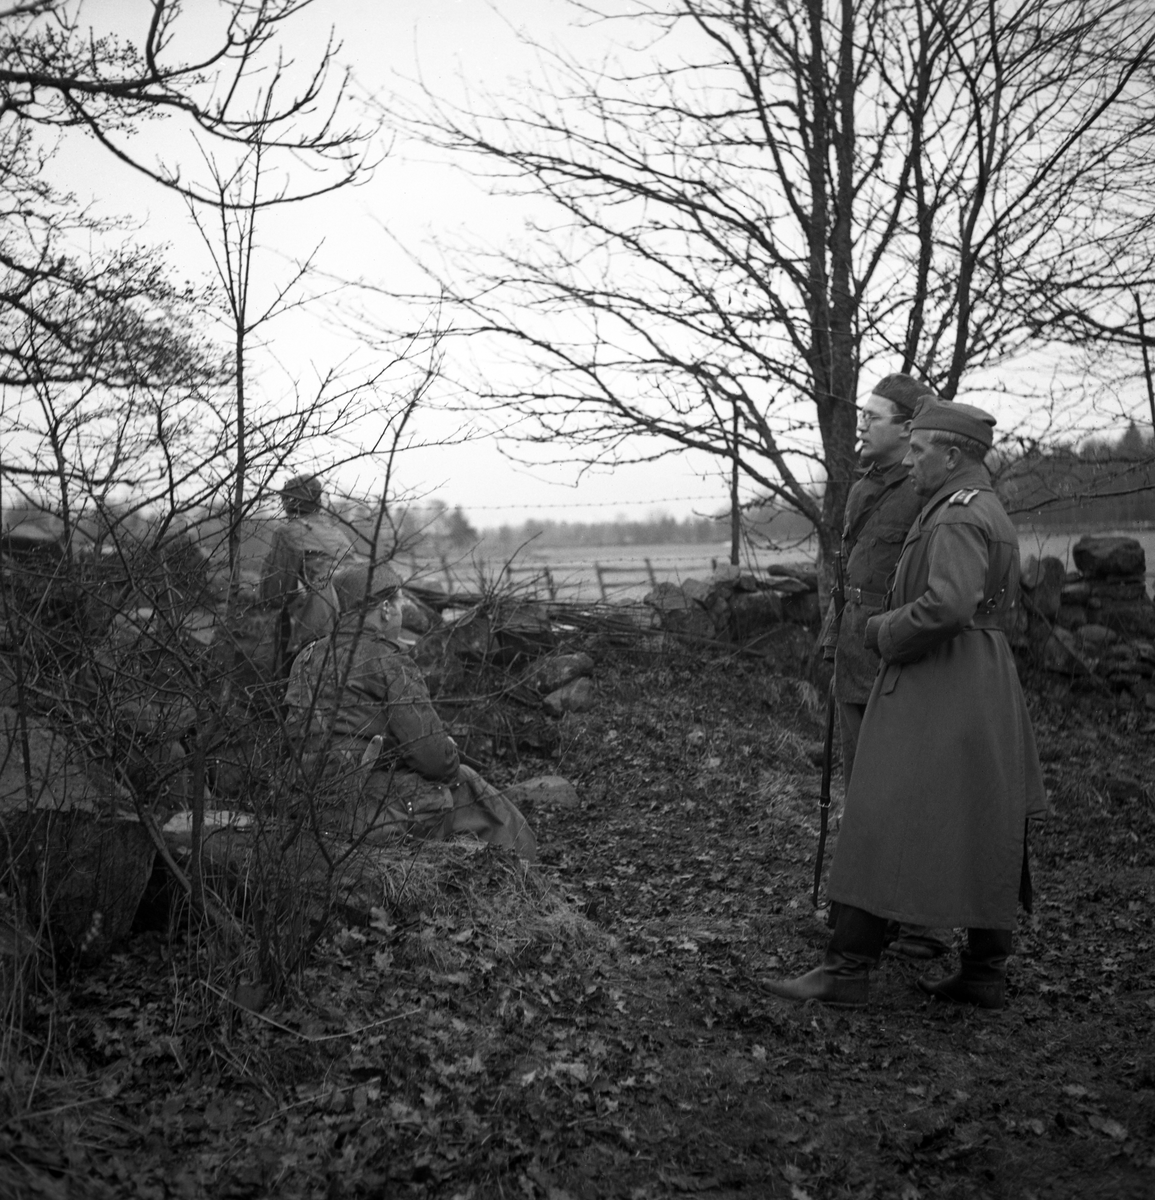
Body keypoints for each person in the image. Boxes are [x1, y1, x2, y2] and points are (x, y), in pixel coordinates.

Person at [765, 400, 1046, 1010]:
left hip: (939, 678)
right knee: (986, 815)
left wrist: (882, 630)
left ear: (952, 455)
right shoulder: (977, 506)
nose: (911, 462)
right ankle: (983, 972)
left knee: (879, 809)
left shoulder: (954, 516)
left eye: (920, 451)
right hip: (980, 677)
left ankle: (847, 970)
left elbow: (948, 605)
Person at [819, 372, 952, 960]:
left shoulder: (927, 491)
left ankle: (923, 926)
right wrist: (832, 638)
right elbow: (847, 573)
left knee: (912, 791)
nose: (861, 428)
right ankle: (869, 915)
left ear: (907, 428)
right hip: (854, 654)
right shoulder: (861, 489)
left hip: (900, 657)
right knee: (864, 793)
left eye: (873, 418)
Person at [283, 563, 537, 860]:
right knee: (468, 784)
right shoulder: (388, 661)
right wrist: (447, 753)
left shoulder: (306, 656)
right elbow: (435, 762)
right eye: (399, 604)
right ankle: (524, 876)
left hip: (305, 801)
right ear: (385, 609)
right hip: (363, 808)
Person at [260, 474, 358, 674]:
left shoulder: (287, 533)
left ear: (288, 502)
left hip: (313, 628)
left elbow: (274, 594)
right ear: (318, 501)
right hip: (350, 622)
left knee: (295, 684)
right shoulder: (336, 533)